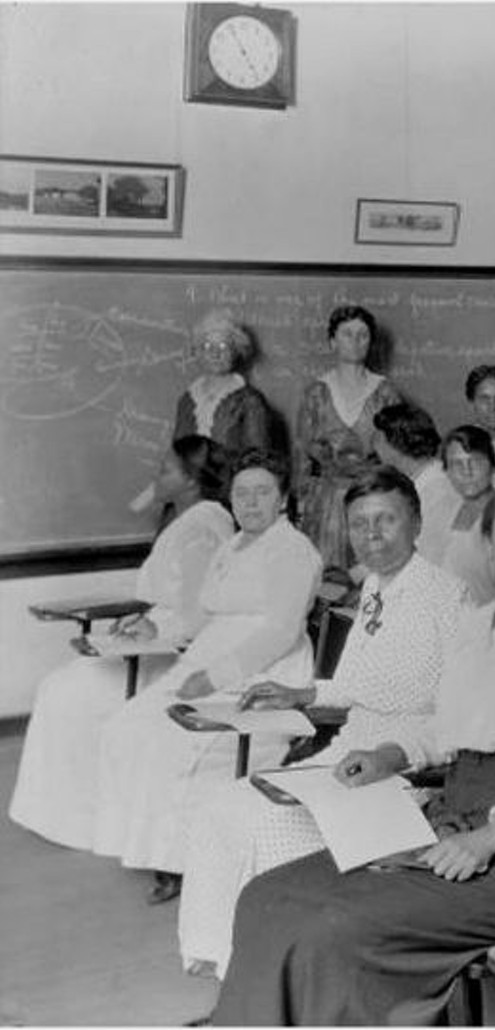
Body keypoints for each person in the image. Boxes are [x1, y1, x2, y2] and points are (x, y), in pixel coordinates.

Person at [212, 474, 495, 1026]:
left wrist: (493, 835)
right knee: (267, 895)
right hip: (452, 820)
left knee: (329, 928)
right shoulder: (475, 628)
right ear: (490, 544)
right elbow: (444, 730)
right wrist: (390, 755)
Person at [177, 466, 467, 978]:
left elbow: (456, 722)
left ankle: (277, 973)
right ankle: (229, 961)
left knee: (266, 823)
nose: (371, 536)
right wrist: (303, 691)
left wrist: (391, 756)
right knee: (220, 804)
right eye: (359, 524)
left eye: (386, 521)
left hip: (401, 774)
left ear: (417, 523)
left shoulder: (448, 599)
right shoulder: (377, 586)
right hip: (345, 755)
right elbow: (358, 685)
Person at [92, 449, 322, 903]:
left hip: (260, 672)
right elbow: (203, 613)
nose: (251, 503)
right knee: (127, 725)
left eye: (262, 493)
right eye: (242, 494)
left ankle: (180, 863)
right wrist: (156, 626)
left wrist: (216, 677)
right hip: (204, 659)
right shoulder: (232, 545)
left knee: (172, 741)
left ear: (283, 499)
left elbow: (279, 631)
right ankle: (148, 847)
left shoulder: (294, 551)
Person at [9, 436, 234, 850]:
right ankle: (72, 815)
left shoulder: (204, 526)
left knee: (67, 694)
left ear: (191, 482)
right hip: (152, 641)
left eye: (166, 470)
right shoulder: (186, 518)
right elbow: (171, 595)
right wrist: (143, 619)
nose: (155, 476)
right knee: (62, 687)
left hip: (171, 659)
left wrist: (156, 630)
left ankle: (86, 820)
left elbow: (199, 615)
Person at [294, 305, 401, 568]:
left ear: (371, 342)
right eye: (347, 334)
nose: (355, 341)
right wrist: (300, 503)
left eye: (362, 335)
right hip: (326, 505)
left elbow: (398, 454)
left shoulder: (384, 392)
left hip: (372, 498)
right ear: (332, 342)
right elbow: (302, 454)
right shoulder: (316, 393)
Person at [173, 310, 271, 461]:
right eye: (207, 346)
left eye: (223, 346)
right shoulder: (186, 400)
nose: (215, 354)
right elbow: (177, 456)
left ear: (236, 351)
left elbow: (257, 459)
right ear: (197, 352)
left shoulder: (250, 401)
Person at [370, 403, 454, 560]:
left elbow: (423, 555)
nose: (373, 448)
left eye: (377, 439)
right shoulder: (413, 482)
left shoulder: (439, 491)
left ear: (394, 443)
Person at [436, 425, 495, 603]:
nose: (467, 471)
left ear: (493, 466)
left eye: (476, 461)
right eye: (457, 463)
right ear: (446, 472)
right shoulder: (448, 512)